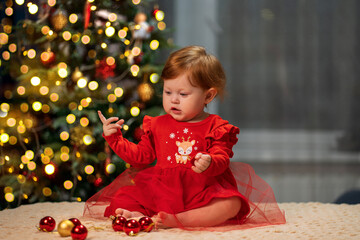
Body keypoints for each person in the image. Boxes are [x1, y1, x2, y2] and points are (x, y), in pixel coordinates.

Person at [84, 46, 286, 229]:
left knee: (231, 204)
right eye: (168, 91)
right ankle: (139, 214)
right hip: (162, 189)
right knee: (124, 196)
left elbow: (222, 158)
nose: (173, 99)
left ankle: (180, 219)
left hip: (200, 191)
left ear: (208, 96)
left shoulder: (216, 127)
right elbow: (141, 157)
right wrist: (115, 140)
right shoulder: (157, 124)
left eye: (183, 94)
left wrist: (209, 162)